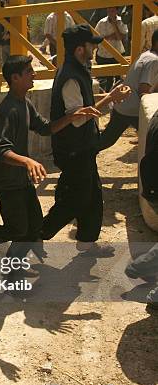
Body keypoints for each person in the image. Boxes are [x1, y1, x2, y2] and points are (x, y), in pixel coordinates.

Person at [0, 55, 99, 267]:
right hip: (7, 181)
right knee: (18, 229)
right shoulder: (9, 109)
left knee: (34, 227)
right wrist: (27, 162)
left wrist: (72, 117)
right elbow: (1, 150)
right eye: (29, 71)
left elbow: (45, 128)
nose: (34, 74)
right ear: (15, 77)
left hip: (21, 179)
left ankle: (13, 270)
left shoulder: (25, 103)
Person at [41, 24, 131, 256]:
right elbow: (78, 118)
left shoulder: (78, 69)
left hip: (82, 147)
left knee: (92, 195)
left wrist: (109, 98)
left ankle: (86, 244)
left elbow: (85, 103)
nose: (94, 49)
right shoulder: (71, 77)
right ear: (80, 49)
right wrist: (110, 97)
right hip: (74, 149)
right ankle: (34, 237)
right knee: (74, 200)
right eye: (91, 45)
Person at [99, 29, 158, 150]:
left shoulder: (146, 55)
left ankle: (84, 153)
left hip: (123, 106)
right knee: (153, 137)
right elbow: (144, 90)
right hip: (133, 110)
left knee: (106, 140)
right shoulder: (154, 61)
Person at [95, 7, 128, 92]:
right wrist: (111, 36)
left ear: (117, 11)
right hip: (104, 54)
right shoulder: (101, 22)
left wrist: (114, 24)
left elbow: (121, 37)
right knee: (105, 79)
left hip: (118, 53)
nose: (110, 13)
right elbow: (96, 38)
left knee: (118, 79)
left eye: (112, 11)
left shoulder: (121, 22)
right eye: (108, 11)